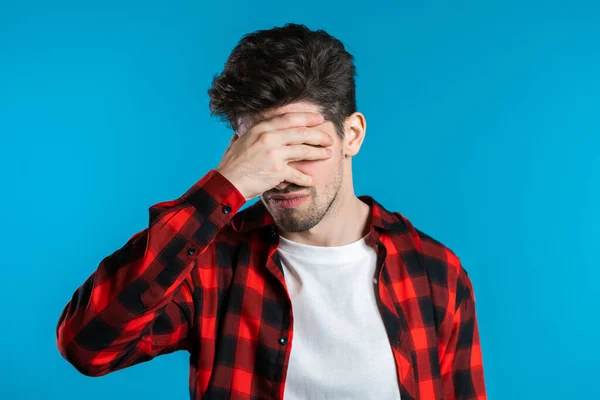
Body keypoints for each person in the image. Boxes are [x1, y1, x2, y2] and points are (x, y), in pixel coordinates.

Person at [56, 23, 486, 400]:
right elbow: (88, 346)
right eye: (261, 152)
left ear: (351, 135)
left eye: (300, 147)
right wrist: (225, 187)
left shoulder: (435, 273)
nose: (280, 176)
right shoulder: (211, 264)